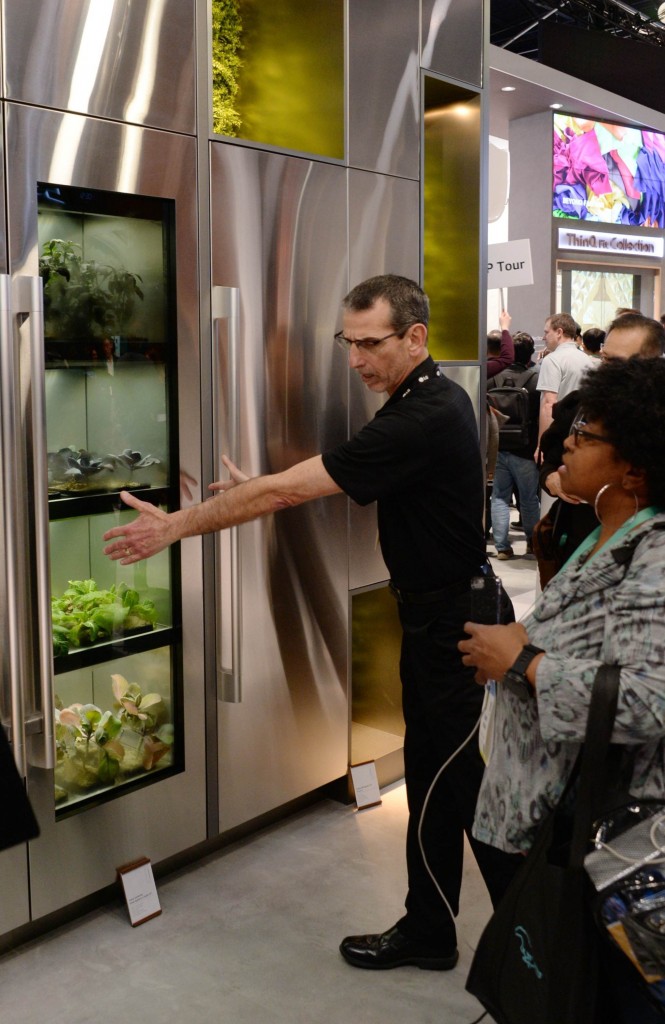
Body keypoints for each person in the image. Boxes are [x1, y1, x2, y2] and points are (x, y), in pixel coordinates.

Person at [103, 274, 519, 970]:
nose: (355, 360)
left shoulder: (424, 413)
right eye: (346, 343)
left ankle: (545, 958)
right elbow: (318, 479)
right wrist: (254, 489)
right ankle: (432, 931)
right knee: (434, 782)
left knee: (461, 788)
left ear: (414, 338)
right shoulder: (419, 402)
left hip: (456, 626)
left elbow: (297, 486)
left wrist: (178, 525)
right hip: (434, 619)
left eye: (369, 344)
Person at [459, 356, 665, 1023]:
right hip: (529, 811)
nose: (565, 442)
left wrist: (521, 662)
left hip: (578, 836)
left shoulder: (654, 551)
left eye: (584, 434)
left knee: (573, 989)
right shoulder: (602, 526)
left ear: (632, 465)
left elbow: (645, 702)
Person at [538, 313, 665, 566]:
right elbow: (550, 459)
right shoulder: (579, 404)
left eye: (617, 363)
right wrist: (551, 479)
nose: (604, 368)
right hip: (576, 536)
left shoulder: (655, 421)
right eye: (604, 358)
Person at [487, 332, 540, 560]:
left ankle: (502, 547)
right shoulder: (537, 378)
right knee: (529, 499)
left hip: (498, 446)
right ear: (531, 354)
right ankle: (532, 543)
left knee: (498, 496)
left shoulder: (494, 379)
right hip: (526, 449)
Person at [536, 312, 593, 450]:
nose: (544, 337)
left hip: (557, 438)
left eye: (546, 332)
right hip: (580, 436)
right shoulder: (587, 360)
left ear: (559, 332)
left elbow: (549, 404)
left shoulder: (552, 360)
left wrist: (541, 445)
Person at [486, 309, 515, 376]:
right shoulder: (511, 371)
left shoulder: (481, 368)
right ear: (503, 347)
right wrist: (505, 327)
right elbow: (508, 358)